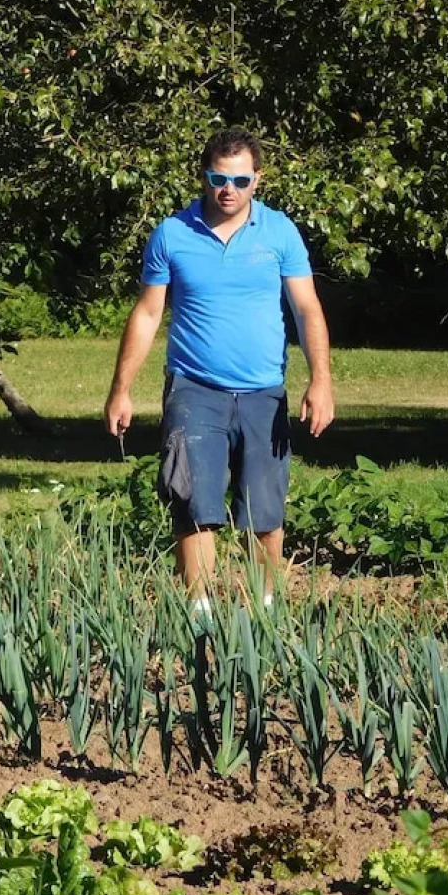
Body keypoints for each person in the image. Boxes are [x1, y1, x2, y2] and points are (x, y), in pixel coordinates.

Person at [103, 128, 333, 611]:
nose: (229, 189)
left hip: (263, 392)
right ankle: (198, 613)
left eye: (241, 180)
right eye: (218, 178)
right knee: (192, 502)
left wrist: (321, 381)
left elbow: (307, 309)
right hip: (193, 389)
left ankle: (265, 609)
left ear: (258, 180)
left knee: (264, 511)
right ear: (204, 177)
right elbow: (147, 314)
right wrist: (121, 389)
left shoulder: (279, 232)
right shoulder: (172, 233)